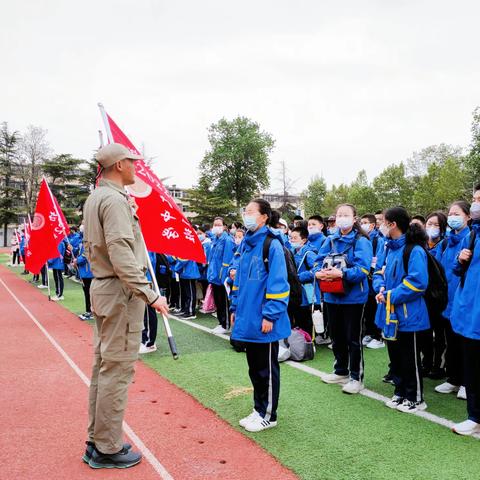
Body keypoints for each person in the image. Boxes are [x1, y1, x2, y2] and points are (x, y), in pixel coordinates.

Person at [82, 143, 169, 469]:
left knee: (103, 369)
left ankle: (96, 439)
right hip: (120, 292)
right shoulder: (113, 201)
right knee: (116, 372)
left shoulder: (97, 197)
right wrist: (150, 295)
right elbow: (120, 252)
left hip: (105, 289)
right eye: (132, 162)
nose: (136, 167)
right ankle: (106, 447)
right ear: (119, 165)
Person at [230, 199, 291, 432]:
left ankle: (269, 414)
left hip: (265, 319)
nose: (246, 215)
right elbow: (239, 283)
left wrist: (270, 315)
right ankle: (258, 408)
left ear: (264, 216)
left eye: (251, 211)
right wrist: (234, 308)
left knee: (266, 368)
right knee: (254, 368)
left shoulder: (271, 244)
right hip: (247, 317)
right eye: (245, 211)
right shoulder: (246, 243)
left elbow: (278, 284)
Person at [374, 207, 429, 414]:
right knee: (395, 356)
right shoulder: (389, 247)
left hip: (409, 314)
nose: (382, 225)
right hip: (389, 313)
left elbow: (417, 282)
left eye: (383, 221)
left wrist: (390, 295)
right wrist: (379, 287)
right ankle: (399, 391)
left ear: (392, 224)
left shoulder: (413, 250)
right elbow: (379, 270)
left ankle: (415, 397)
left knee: (409, 357)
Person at [314, 204, 373, 395]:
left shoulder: (361, 241)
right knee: (337, 336)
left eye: (346, 215)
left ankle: (356, 377)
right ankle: (340, 370)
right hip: (331, 295)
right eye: (339, 215)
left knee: (353, 338)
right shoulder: (330, 240)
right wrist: (320, 273)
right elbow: (316, 262)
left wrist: (342, 273)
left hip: (354, 297)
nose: (341, 218)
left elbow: (363, 270)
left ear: (354, 218)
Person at [450, 185, 480, 436]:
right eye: (474, 199)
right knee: (472, 367)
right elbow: (458, 272)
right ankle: (475, 416)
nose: (476, 204)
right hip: (471, 313)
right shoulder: (473, 235)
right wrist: (461, 260)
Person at [435, 201, 471, 399]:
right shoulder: (447, 242)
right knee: (451, 341)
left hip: (463, 298)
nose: (452, 217)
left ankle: (467, 382)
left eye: (456, 213)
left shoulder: (471, 238)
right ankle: (453, 378)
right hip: (446, 298)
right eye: (450, 213)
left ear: (467, 216)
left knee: (464, 342)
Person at [420, 211, 448, 379]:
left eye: (436, 225)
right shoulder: (421, 247)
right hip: (423, 296)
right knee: (425, 332)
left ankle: (438, 365)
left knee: (440, 333)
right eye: (429, 224)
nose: (431, 228)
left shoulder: (444, 245)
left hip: (439, 297)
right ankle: (426, 363)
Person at [360, 214, 385, 349]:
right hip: (365, 280)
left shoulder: (378, 240)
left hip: (374, 278)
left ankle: (378, 335)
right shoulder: (363, 239)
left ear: (372, 225)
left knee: (376, 307)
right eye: (361, 222)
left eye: (365, 222)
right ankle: (369, 333)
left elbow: (380, 260)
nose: (362, 224)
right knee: (368, 308)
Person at [207, 217, 235, 334]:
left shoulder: (227, 240)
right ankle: (221, 322)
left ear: (224, 227)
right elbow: (212, 259)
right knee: (218, 301)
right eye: (214, 224)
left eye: (219, 224)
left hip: (221, 278)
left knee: (223, 302)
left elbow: (227, 261)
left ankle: (225, 324)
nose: (216, 227)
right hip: (214, 277)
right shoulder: (215, 239)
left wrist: (223, 277)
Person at [289, 226, 317, 335]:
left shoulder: (309, 253)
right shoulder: (290, 251)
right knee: (293, 318)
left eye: (295, 238)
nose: (292, 240)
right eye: (291, 238)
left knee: (304, 318)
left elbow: (317, 269)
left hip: (305, 291)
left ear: (304, 240)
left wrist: (299, 277)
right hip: (292, 291)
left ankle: (307, 343)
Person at [76, 240, 94, 320]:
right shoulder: (85, 244)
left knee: (88, 293)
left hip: (88, 273)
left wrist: (77, 260)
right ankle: (88, 311)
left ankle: (90, 312)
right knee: (87, 293)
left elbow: (84, 257)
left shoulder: (88, 245)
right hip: (85, 273)